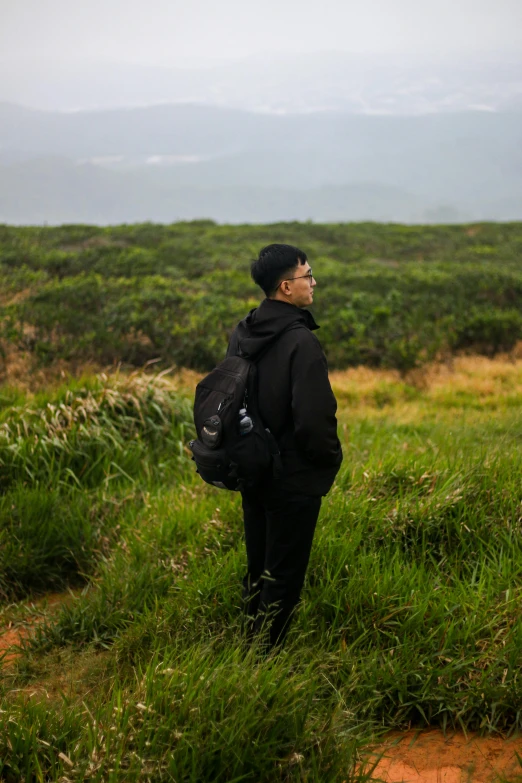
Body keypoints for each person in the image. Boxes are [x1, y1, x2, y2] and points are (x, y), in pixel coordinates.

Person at [226, 243, 343, 650]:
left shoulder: (243, 332)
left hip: (251, 467)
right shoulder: (301, 343)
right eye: (307, 275)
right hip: (291, 478)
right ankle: (264, 664)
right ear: (285, 288)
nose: (313, 282)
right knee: (284, 575)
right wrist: (327, 463)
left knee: (258, 568)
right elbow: (314, 420)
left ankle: (248, 648)